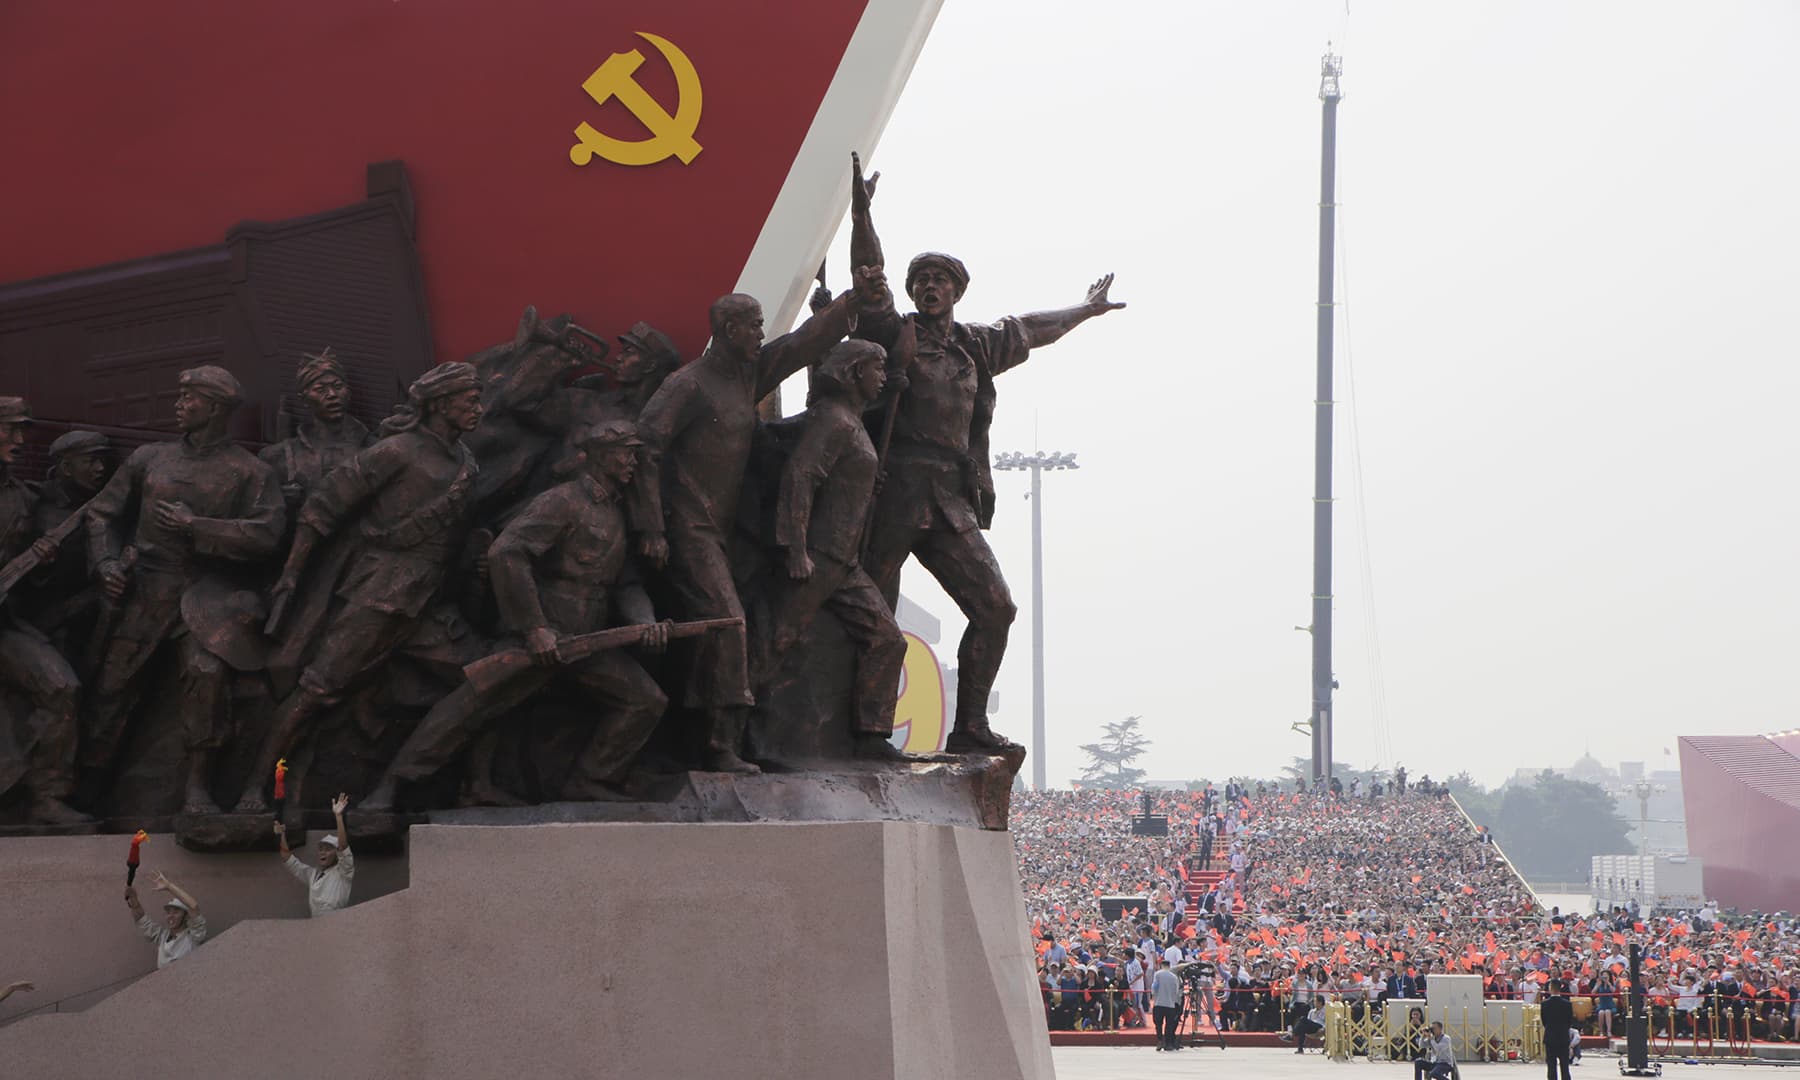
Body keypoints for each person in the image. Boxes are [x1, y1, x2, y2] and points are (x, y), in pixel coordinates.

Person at [849, 152, 1125, 754]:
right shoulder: (891, 334)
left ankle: (969, 727)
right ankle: (866, 732)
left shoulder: (975, 346)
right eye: (921, 280)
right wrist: (861, 214)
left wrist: (1086, 309)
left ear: (956, 291)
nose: (929, 287)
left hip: (950, 497)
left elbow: (1032, 329)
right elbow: (867, 275)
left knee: (996, 608)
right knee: (873, 614)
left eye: (940, 280)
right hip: (893, 488)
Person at [634, 278, 871, 773]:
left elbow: (799, 345)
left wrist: (853, 300)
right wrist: (651, 527)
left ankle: (720, 733)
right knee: (729, 622)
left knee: (742, 619)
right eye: (755, 325)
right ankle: (720, 743)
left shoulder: (746, 376)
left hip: (725, 529)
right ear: (728, 328)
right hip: (686, 529)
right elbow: (646, 449)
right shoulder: (688, 384)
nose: (762, 334)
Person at [237, 362, 487, 813]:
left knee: (481, 679)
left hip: (427, 601)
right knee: (317, 690)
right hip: (378, 594)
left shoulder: (465, 460)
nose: (478, 408)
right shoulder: (396, 451)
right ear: (440, 403)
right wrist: (292, 574)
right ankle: (254, 788)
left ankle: (457, 784)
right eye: (470, 400)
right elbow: (321, 508)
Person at [83, 366, 286, 813]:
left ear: (214, 408)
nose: (178, 404)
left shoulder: (249, 471)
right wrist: (105, 562)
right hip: (145, 592)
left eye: (188, 397)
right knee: (113, 690)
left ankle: (197, 790)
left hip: (207, 597)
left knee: (208, 677)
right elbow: (101, 515)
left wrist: (200, 527)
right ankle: (85, 792)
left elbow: (267, 536)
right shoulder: (148, 459)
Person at [758, 340, 907, 758]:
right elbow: (800, 477)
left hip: (844, 560)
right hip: (819, 553)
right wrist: (795, 547)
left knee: (888, 639)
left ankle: (871, 735)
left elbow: (841, 475)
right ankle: (734, 732)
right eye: (877, 369)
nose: (882, 377)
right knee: (778, 639)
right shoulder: (836, 420)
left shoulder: (853, 422)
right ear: (856, 372)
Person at [0, 397, 88, 824]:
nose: (18, 440)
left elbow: (35, 587)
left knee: (62, 688)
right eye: (10, 429)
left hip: (5, 626)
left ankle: (47, 797)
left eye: (22, 431)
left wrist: (41, 566)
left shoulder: (23, 498)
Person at [275, 792, 355, 916]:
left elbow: (343, 848)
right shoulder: (313, 874)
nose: (323, 852)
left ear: (336, 853)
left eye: (328, 849)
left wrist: (338, 816)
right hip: (316, 926)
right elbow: (288, 860)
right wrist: (282, 835)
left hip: (336, 924)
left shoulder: (344, 871)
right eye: (321, 848)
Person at [125, 870, 207, 969]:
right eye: (168, 912)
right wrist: (134, 901)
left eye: (176, 912)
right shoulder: (162, 936)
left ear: (186, 916)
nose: (170, 915)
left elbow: (193, 907)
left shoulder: (194, 937)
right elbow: (142, 921)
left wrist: (168, 886)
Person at [1541, 978, 1575, 1080]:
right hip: (1563, 1037)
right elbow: (1570, 1021)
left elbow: (1544, 1021)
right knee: (1565, 1065)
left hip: (1550, 1037)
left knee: (1551, 1065)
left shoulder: (1545, 1004)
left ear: (1550, 988)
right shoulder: (1567, 1004)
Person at [1151, 954, 1182, 1051]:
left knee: (1158, 1024)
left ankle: (1160, 1040)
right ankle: (1168, 1043)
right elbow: (1176, 991)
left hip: (1159, 1002)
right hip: (1170, 1004)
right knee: (1169, 1025)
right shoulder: (1174, 977)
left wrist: (1154, 996)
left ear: (1161, 965)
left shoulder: (1157, 974)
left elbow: (1154, 987)